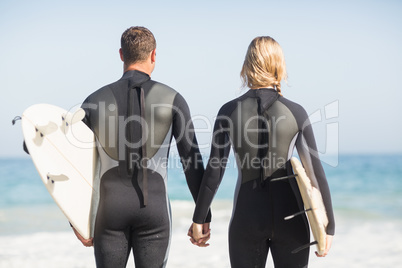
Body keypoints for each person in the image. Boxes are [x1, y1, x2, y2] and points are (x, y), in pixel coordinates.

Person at [190, 36, 335, 267]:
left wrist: (199, 218)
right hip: (292, 220)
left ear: (247, 65)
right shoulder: (296, 112)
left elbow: (214, 172)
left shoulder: (228, 111)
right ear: (279, 65)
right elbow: (315, 174)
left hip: (246, 219)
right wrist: (329, 227)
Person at [72, 26, 210, 268]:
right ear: (154, 55)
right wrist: (202, 218)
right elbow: (192, 161)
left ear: (121, 55)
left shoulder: (93, 101)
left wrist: (76, 220)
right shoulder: (173, 99)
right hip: (154, 212)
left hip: (108, 212)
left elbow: (75, 163)